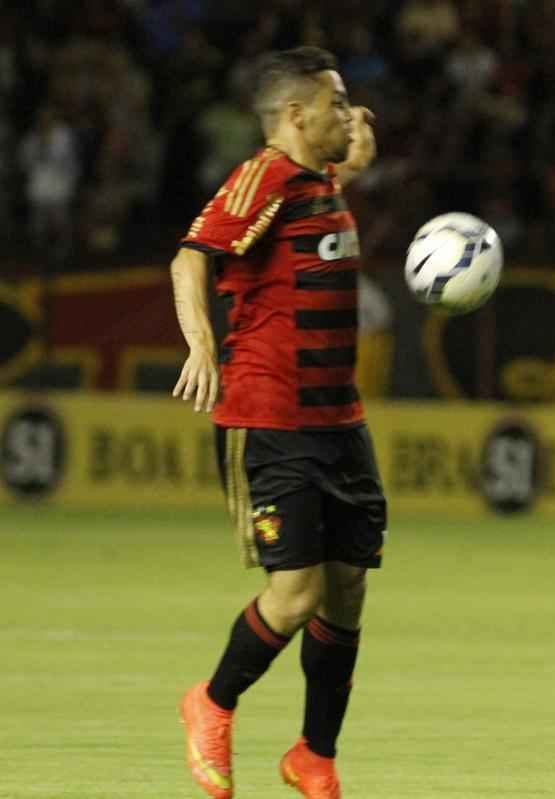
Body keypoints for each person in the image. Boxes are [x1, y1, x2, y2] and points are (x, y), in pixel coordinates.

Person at [170, 46, 379, 798]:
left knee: (348, 587)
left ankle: (313, 755)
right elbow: (192, 257)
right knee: (295, 594)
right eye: (336, 100)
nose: (349, 110)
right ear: (296, 115)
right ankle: (213, 701)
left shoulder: (313, 181)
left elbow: (305, 239)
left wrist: (349, 165)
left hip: (339, 418)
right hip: (271, 415)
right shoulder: (262, 177)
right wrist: (202, 344)